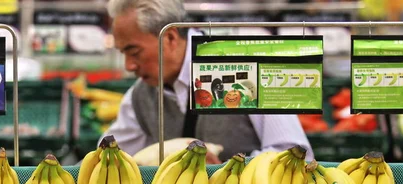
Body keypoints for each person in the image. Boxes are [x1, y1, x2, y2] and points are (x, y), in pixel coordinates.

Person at [102, 0, 314, 163]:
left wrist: (229, 170)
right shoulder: (140, 96)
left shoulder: (246, 68)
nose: (128, 66)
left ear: (170, 38)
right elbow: (108, 157)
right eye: (123, 53)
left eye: (134, 52)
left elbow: (296, 153)